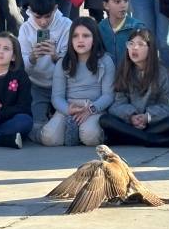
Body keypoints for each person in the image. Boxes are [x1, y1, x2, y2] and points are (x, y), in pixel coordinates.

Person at [100, 29, 169, 148]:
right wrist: (131, 116)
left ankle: (125, 138)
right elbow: (117, 104)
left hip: (154, 123)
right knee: (105, 120)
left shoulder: (162, 73)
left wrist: (147, 117)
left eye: (140, 44)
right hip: (129, 122)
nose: (134, 48)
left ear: (151, 48)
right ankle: (151, 140)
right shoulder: (124, 71)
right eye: (131, 44)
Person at [41, 17, 115, 147]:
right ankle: (70, 129)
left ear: (94, 40)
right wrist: (67, 109)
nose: (80, 40)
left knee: (90, 137)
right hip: (69, 108)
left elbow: (108, 95)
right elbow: (57, 97)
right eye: (75, 36)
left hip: (94, 108)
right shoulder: (63, 62)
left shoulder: (105, 61)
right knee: (49, 138)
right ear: (71, 40)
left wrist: (92, 109)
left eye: (86, 36)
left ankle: (81, 133)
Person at [19, 0, 72, 141]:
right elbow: (21, 66)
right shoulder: (26, 29)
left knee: (66, 121)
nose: (43, 22)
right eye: (38, 17)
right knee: (36, 127)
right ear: (30, 11)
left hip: (63, 85)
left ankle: (57, 123)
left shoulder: (66, 25)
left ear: (55, 9)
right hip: (37, 85)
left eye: (48, 16)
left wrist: (56, 57)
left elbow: (72, 62)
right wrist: (32, 58)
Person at [98, 0, 145, 66]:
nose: (123, 5)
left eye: (126, 0)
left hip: (131, 76)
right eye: (117, 1)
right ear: (106, 5)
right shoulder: (100, 28)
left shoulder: (137, 27)